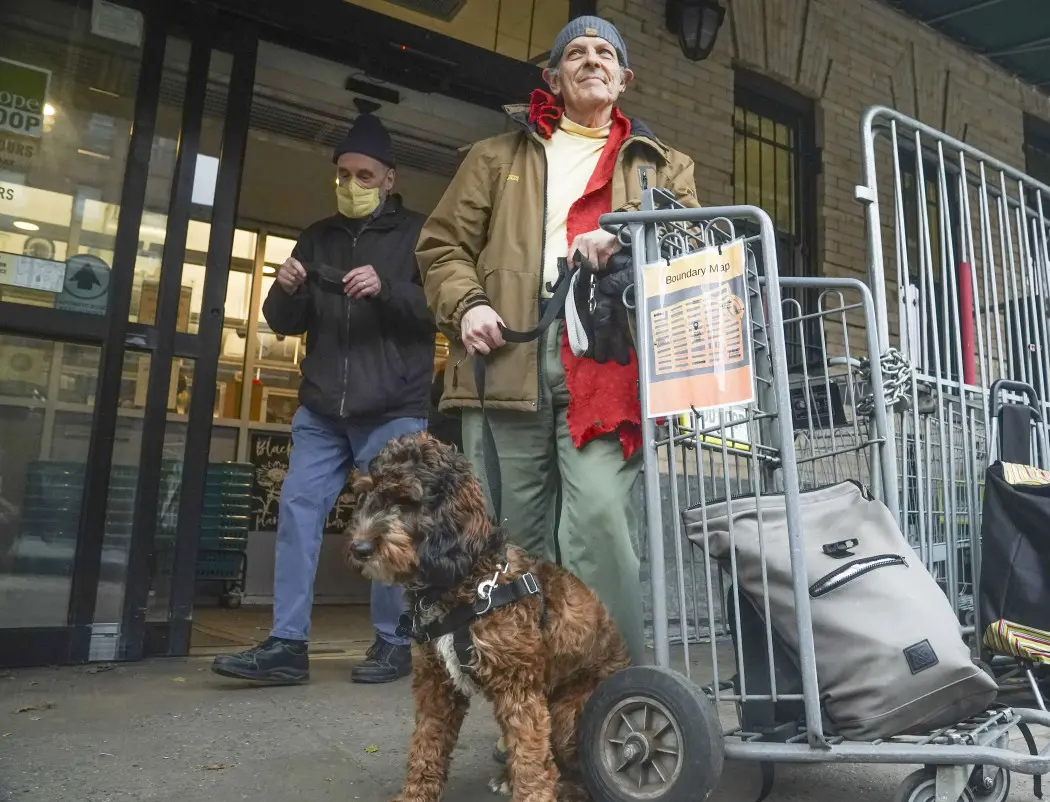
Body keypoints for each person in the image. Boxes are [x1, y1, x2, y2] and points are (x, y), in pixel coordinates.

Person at [418, 15, 700, 679]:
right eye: (576, 52)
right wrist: (469, 303)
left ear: (625, 78)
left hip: (605, 361)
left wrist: (627, 237)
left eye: (606, 52)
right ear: (553, 76)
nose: (592, 60)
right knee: (512, 549)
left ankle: (612, 701)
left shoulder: (664, 164)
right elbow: (439, 246)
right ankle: (534, 721)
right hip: (507, 358)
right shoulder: (495, 156)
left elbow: (692, 248)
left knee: (598, 523)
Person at [212, 113, 436, 686]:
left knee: (387, 526)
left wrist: (387, 289)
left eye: (364, 175)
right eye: (343, 174)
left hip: (391, 408)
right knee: (297, 512)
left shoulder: (418, 235)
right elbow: (284, 321)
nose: (351, 185)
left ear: (389, 178)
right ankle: (287, 643)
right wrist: (282, 289)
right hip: (321, 411)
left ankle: (392, 642)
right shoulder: (317, 236)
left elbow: (436, 310)